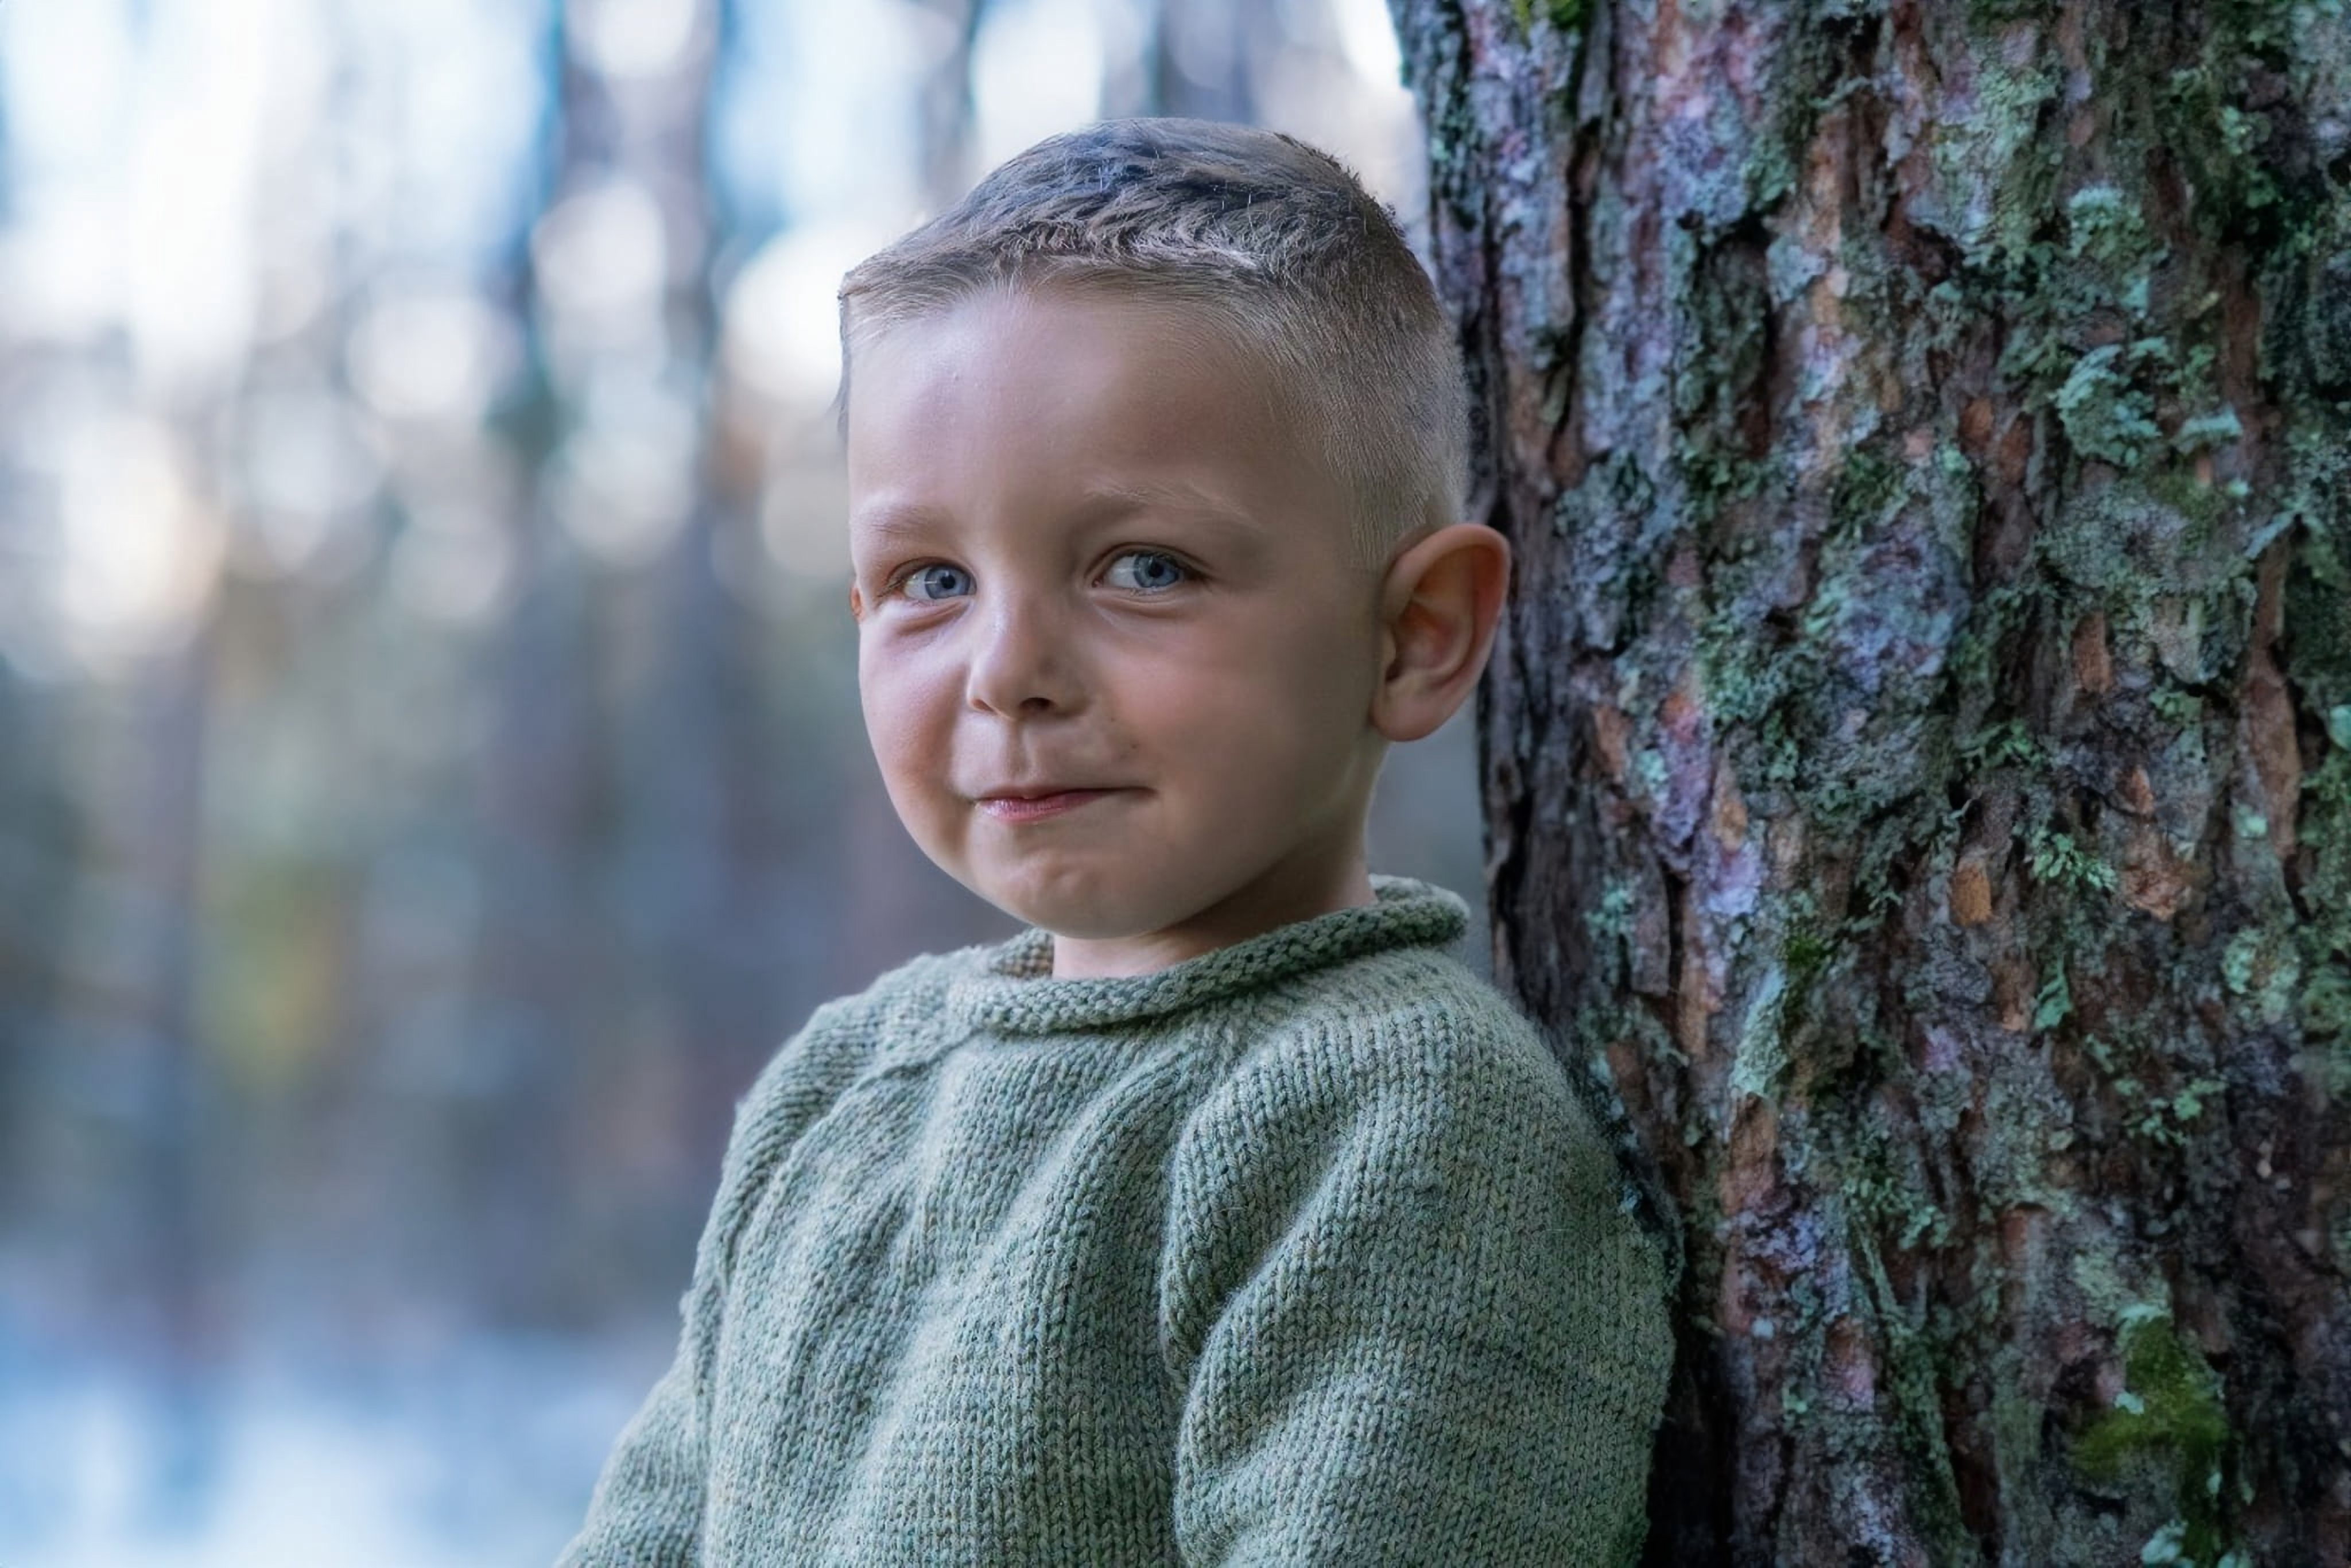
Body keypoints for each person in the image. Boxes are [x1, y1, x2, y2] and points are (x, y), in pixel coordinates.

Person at [557, 117, 1675, 1567]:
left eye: (1144, 568)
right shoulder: (839, 1091)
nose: (1005, 668)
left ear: (1415, 634)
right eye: (929, 580)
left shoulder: (1395, 1120)